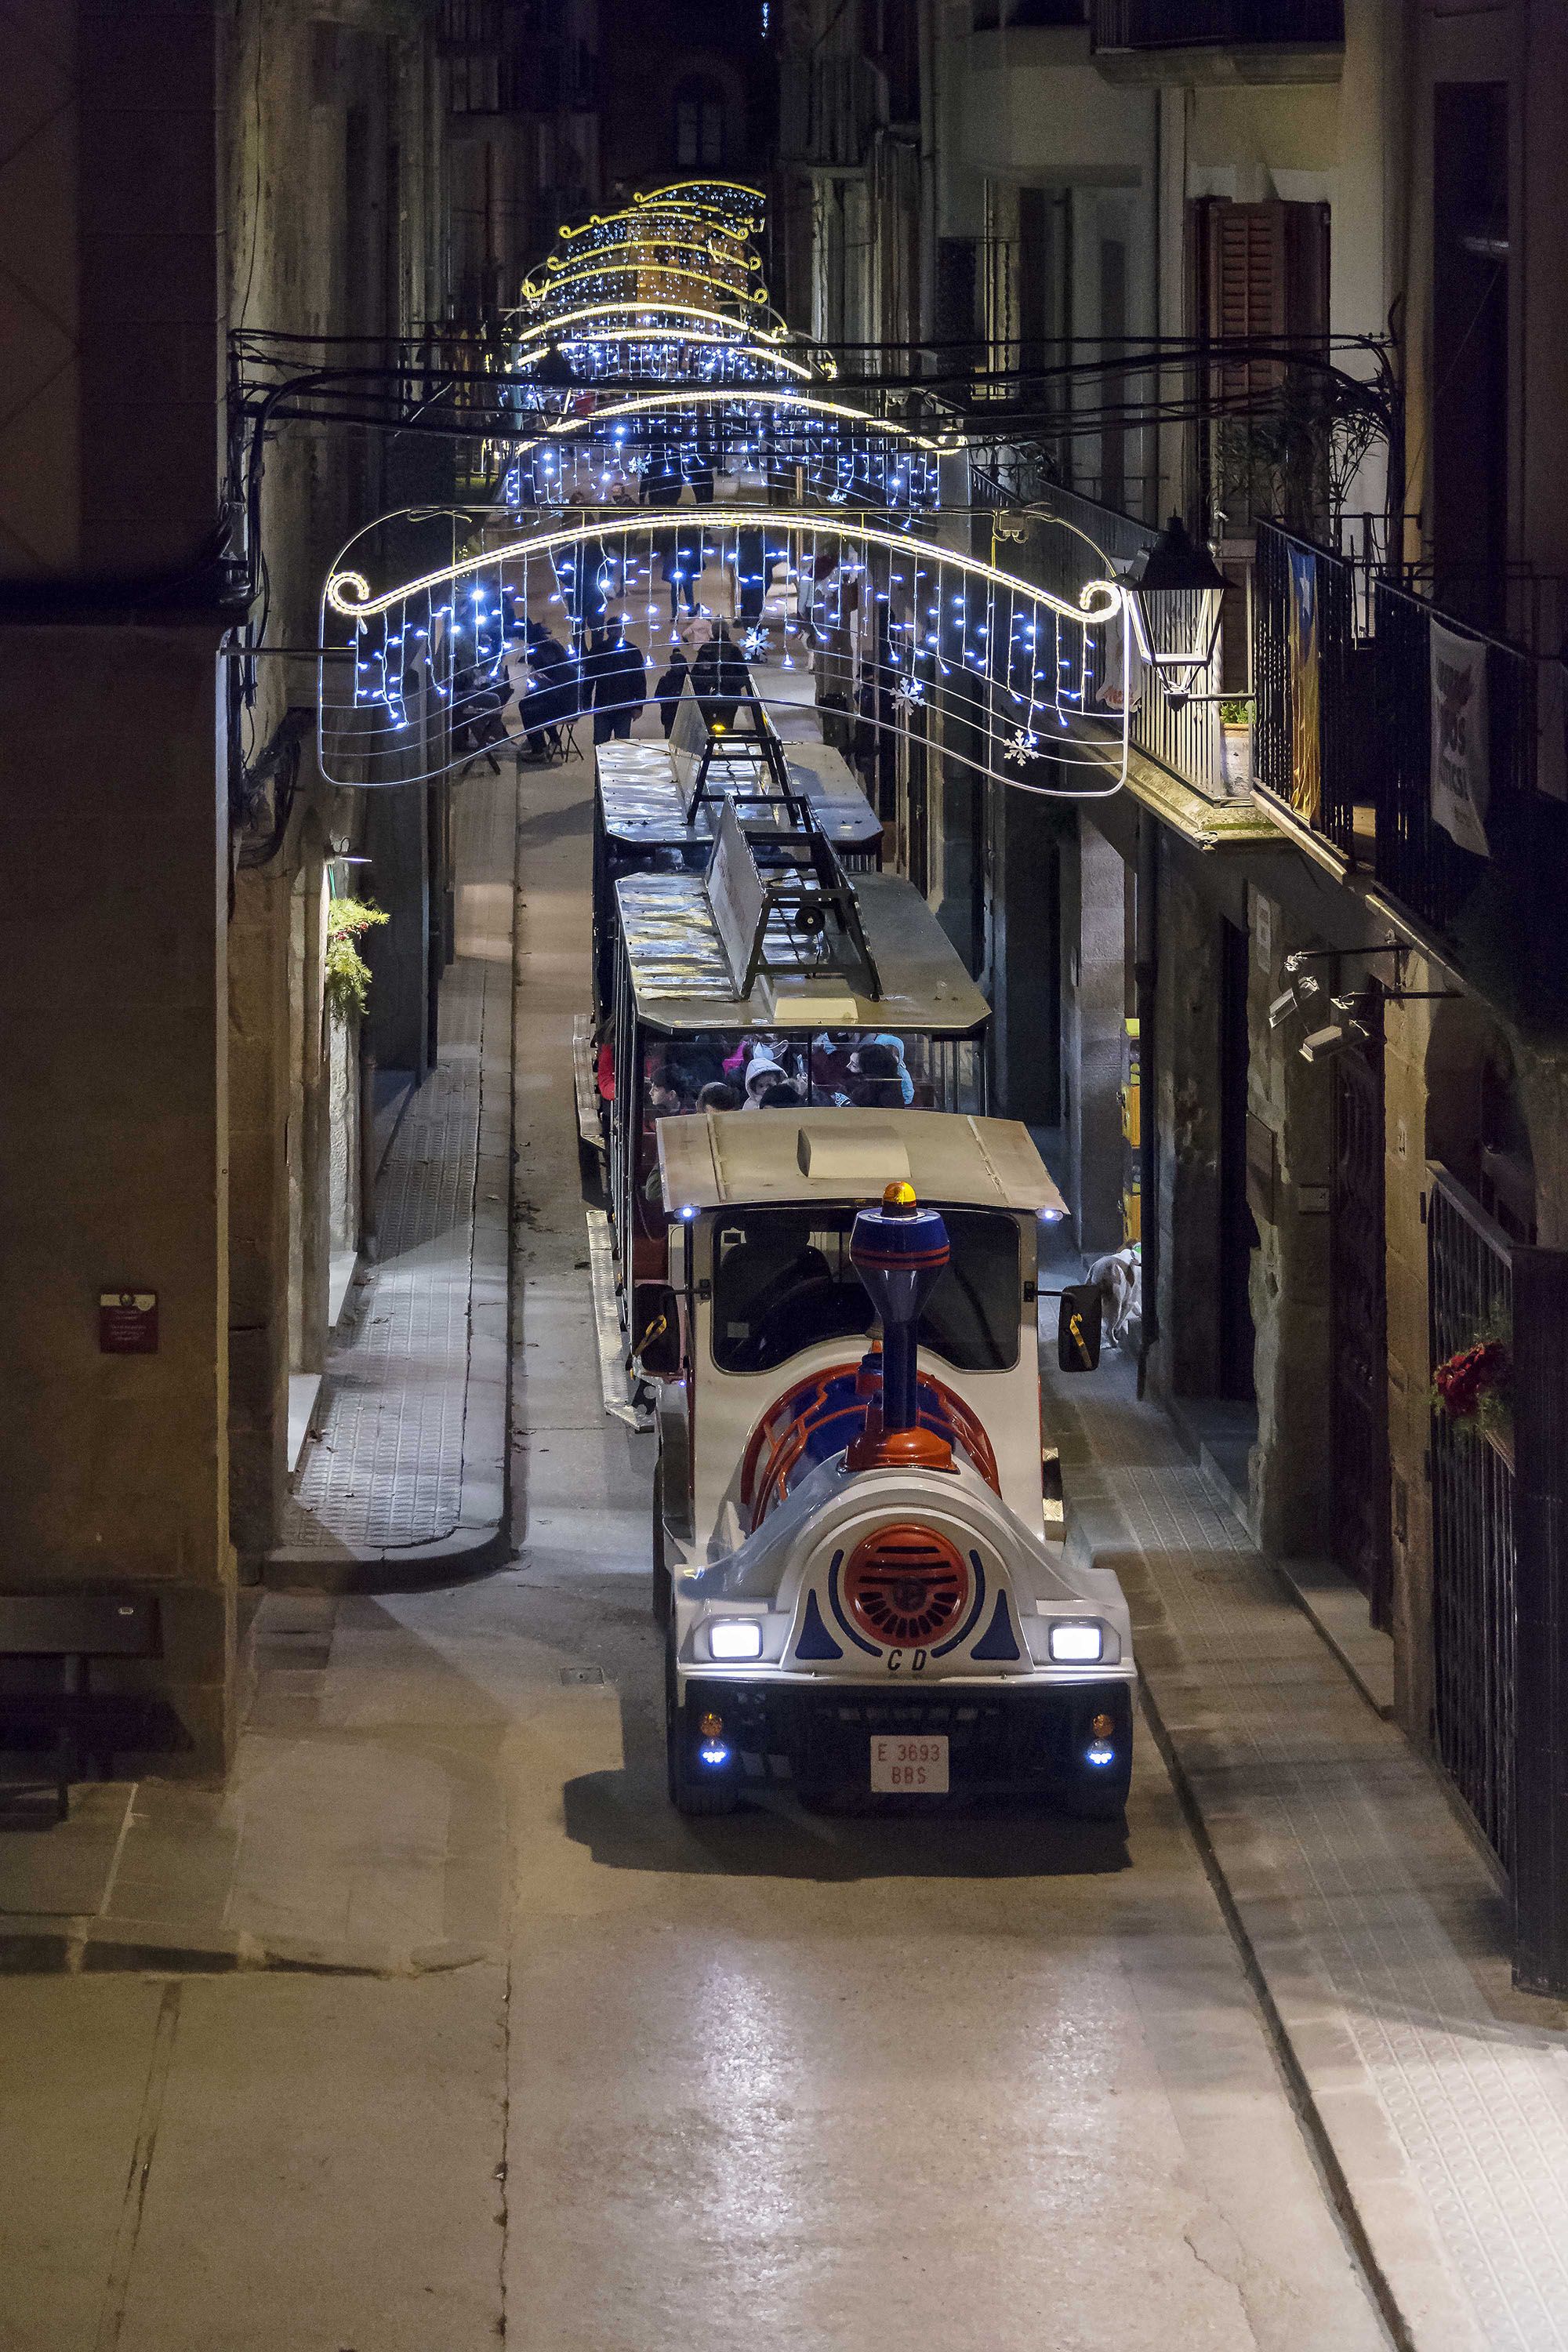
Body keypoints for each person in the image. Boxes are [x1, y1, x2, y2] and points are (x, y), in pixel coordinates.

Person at [586, 617, 648, 745]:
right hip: (604, 705)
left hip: (622, 706)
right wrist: (585, 701)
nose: (616, 632)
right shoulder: (599, 651)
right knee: (602, 744)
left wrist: (638, 706)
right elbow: (589, 678)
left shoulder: (631, 651)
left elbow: (639, 680)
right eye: (613, 630)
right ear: (608, 631)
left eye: (618, 629)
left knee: (622, 744)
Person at [692, 621, 752, 735]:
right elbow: (744, 675)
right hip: (730, 697)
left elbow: (696, 674)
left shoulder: (705, 650)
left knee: (707, 727)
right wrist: (733, 685)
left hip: (707, 697)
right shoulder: (734, 651)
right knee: (727, 726)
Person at [847, 1040, 906, 1110]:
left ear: (868, 1070)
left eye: (854, 1066)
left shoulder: (870, 1090)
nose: (847, 1066)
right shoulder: (890, 1085)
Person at [652, 646, 689, 739]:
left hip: (683, 715)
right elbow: (658, 696)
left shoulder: (688, 679)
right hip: (670, 715)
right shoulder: (666, 680)